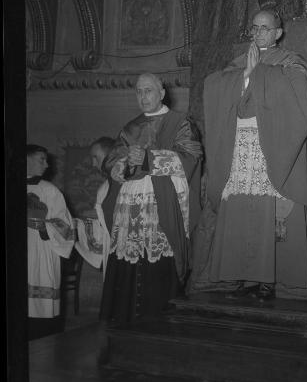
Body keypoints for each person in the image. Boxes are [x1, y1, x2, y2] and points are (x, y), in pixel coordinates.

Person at [204, 9, 307, 300]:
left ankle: (268, 279)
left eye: (265, 28)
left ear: (278, 32)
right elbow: (214, 87)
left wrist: (259, 73)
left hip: (273, 145)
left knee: (268, 209)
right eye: (254, 28)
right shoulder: (239, 63)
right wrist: (244, 74)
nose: (258, 33)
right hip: (241, 144)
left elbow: (298, 93)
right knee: (242, 206)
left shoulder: (292, 62)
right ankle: (244, 277)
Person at [100, 73, 203, 324]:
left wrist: (148, 159)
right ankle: (124, 320)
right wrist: (120, 164)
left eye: (148, 90)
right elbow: (112, 160)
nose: (143, 96)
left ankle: (158, 321)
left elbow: (190, 158)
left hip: (162, 203)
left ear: (162, 93)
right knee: (129, 255)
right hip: (132, 203)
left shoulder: (180, 122)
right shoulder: (131, 127)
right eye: (138, 91)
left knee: (159, 259)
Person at [27, 144, 75, 339]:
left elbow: (66, 226)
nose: (46, 165)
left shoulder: (50, 190)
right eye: (41, 160)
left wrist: (43, 226)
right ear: (26, 160)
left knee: (41, 309)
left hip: (42, 250)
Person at [74, 137, 120, 277]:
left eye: (96, 157)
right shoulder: (106, 184)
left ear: (110, 155)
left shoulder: (121, 181)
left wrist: (91, 214)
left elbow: (114, 213)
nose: (93, 164)